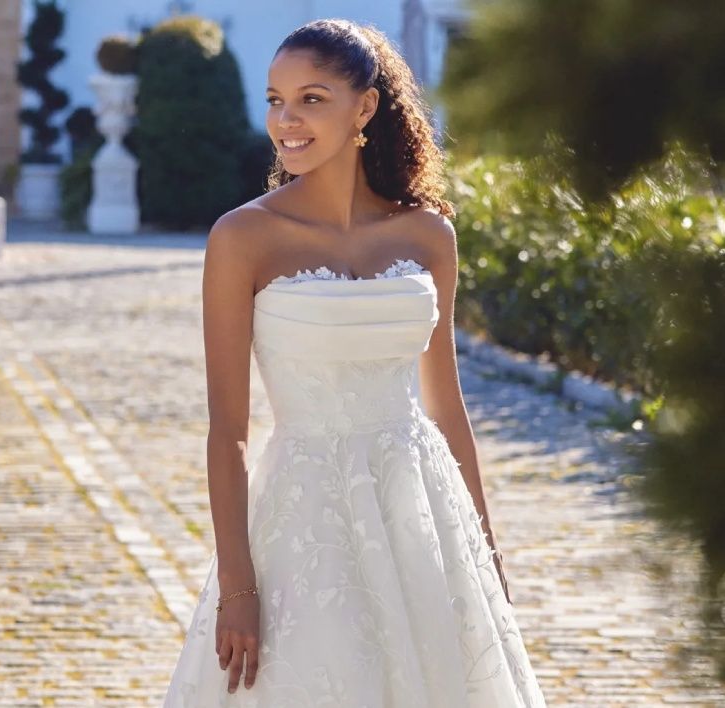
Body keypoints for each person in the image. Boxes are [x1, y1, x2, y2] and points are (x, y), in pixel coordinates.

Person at [163, 18, 547, 707]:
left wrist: (486, 553)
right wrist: (238, 588)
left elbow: (445, 404)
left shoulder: (429, 235)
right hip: (306, 519)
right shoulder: (243, 237)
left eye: (312, 99)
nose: (287, 120)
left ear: (364, 107)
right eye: (276, 100)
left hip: (421, 511)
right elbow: (229, 429)